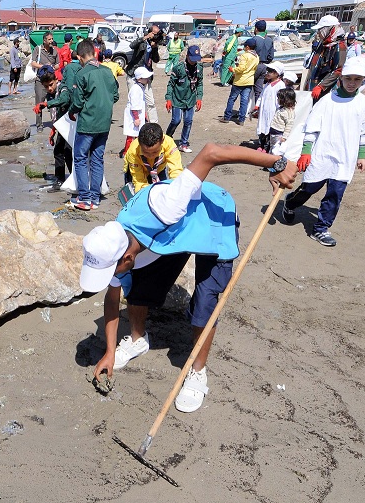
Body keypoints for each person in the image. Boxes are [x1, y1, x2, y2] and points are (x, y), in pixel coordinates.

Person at [81, 144, 298, 412]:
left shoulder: (165, 206)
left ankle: (198, 372)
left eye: (110, 272)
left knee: (206, 299)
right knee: (135, 286)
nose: (110, 278)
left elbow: (211, 152)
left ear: (126, 259)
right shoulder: (115, 240)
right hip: (175, 234)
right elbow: (112, 298)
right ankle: (138, 340)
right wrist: (110, 352)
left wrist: (276, 163)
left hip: (212, 218)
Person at [282, 56, 365, 247]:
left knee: (335, 194)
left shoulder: (363, 103)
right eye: (348, 78)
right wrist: (306, 152)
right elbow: (311, 129)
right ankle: (290, 202)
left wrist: (362, 156)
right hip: (322, 154)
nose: (352, 83)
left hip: (345, 158)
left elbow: (364, 132)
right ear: (341, 78)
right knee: (309, 188)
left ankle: (321, 229)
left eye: (357, 80)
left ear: (363, 79)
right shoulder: (326, 102)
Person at [67, 39, 119, 211]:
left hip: (88, 122)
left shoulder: (82, 74)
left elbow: (78, 102)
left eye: (79, 59)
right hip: (105, 123)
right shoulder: (107, 72)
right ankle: (95, 198)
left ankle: (85, 198)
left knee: (81, 158)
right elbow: (115, 96)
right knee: (97, 158)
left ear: (81, 57)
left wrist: (72, 112)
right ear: (95, 53)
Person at [34, 67, 73, 190]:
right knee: (58, 151)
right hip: (61, 126)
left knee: (68, 152)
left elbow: (63, 100)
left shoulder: (63, 89)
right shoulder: (50, 94)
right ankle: (60, 179)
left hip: (71, 126)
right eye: (46, 87)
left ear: (56, 79)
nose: (49, 88)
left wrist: (46, 104)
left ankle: (74, 178)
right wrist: (53, 131)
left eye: (51, 85)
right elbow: (55, 114)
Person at [123, 122, 184, 194]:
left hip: (159, 168)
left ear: (162, 141)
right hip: (136, 170)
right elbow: (139, 181)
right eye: (145, 152)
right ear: (139, 143)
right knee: (136, 195)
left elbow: (176, 170)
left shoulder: (169, 144)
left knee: (163, 192)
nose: (150, 156)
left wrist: (176, 188)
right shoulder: (133, 151)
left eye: (155, 152)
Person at [165, 44, 204, 153]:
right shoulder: (179, 68)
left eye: (196, 59)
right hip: (177, 98)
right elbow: (171, 84)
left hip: (190, 99)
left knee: (188, 121)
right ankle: (167, 137)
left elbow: (200, 83)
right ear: (187, 56)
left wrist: (199, 97)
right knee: (176, 120)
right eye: (192, 59)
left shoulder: (199, 68)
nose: (194, 62)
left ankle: (184, 143)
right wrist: (168, 99)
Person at [303, 15, 347, 101]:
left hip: (327, 91)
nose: (318, 33)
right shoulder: (323, 44)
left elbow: (338, 70)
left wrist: (321, 86)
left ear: (328, 29)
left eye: (320, 30)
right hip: (313, 86)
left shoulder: (339, 46)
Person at [220, 39, 258, 125]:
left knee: (232, 99)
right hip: (249, 81)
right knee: (244, 101)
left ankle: (227, 117)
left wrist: (232, 69)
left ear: (247, 47)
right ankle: (241, 119)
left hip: (240, 81)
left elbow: (241, 69)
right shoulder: (256, 56)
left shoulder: (245, 56)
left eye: (245, 46)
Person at [30, 32, 61, 131]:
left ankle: (56, 123)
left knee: (54, 103)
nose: (51, 41)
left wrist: (52, 67)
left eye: (52, 39)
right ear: (44, 40)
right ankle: (39, 125)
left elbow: (58, 64)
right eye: (49, 39)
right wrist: (43, 66)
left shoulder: (54, 51)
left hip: (51, 81)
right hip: (40, 81)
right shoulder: (37, 50)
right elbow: (33, 63)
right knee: (39, 102)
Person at [255, 61, 286, 151]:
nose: (267, 73)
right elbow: (261, 96)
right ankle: (261, 145)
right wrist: (257, 106)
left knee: (270, 129)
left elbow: (281, 100)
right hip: (264, 111)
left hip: (273, 111)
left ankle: (267, 147)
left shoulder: (280, 85)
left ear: (277, 73)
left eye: (270, 72)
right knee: (262, 127)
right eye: (267, 71)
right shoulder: (268, 84)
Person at [121, 67, 152, 157]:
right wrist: (136, 118)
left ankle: (136, 152)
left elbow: (141, 104)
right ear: (139, 79)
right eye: (145, 78)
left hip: (138, 114)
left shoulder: (140, 88)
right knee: (131, 135)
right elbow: (134, 105)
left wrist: (145, 115)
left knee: (138, 135)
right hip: (134, 116)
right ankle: (126, 153)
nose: (147, 79)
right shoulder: (135, 89)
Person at [250, 20, 275, 104]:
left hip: (253, 66)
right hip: (264, 66)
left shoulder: (253, 40)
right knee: (259, 89)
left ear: (256, 29)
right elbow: (271, 56)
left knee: (247, 89)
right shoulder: (269, 40)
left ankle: (244, 111)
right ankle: (258, 109)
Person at [268, 87, 296, 156]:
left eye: (279, 98)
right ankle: (270, 161)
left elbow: (289, 125)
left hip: (279, 134)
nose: (277, 100)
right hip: (273, 132)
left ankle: (275, 163)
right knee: (272, 148)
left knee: (277, 150)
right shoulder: (280, 109)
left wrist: (284, 137)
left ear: (285, 100)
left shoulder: (289, 112)